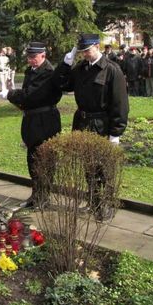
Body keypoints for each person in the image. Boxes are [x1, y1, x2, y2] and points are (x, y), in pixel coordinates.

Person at [54, 34, 129, 220]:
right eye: (82, 52)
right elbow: (62, 84)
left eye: (87, 50)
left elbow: (120, 104)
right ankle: (94, 201)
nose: (85, 54)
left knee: (104, 168)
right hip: (83, 122)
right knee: (88, 166)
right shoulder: (81, 68)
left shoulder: (111, 70)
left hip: (101, 124)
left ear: (97, 46)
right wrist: (65, 65)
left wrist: (115, 134)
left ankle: (107, 204)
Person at [0, 42, 62, 208]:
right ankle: (35, 194)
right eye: (28, 57)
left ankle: (43, 197)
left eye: (33, 57)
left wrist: (10, 94)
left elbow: (31, 95)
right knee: (32, 159)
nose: (30, 60)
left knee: (45, 160)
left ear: (43, 55)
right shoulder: (31, 71)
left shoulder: (48, 73)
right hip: (32, 120)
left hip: (45, 121)